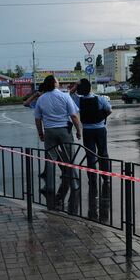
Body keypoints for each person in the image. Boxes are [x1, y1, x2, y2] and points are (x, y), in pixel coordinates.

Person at [34, 75, 82, 209]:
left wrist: (40, 133)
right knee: (69, 158)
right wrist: (78, 130)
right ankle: (74, 185)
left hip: (49, 131)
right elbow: (73, 115)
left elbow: (37, 119)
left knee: (50, 159)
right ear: (54, 83)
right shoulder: (65, 96)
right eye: (57, 80)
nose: (58, 81)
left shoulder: (41, 99)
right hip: (64, 131)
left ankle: (49, 186)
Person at [72, 79, 112, 219]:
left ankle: (92, 178)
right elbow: (109, 110)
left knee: (90, 156)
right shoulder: (100, 99)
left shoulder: (78, 100)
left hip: (87, 131)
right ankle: (105, 177)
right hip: (100, 129)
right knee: (103, 153)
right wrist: (101, 118)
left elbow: (71, 96)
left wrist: (76, 86)